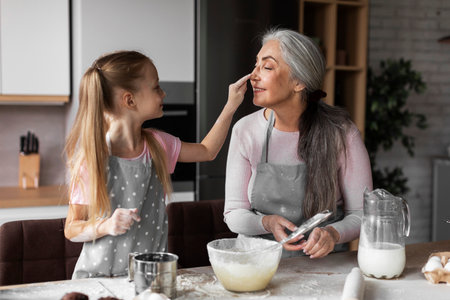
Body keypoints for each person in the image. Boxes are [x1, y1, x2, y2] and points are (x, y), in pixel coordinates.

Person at [64, 50, 250, 278]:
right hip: (98, 281)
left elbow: (207, 151)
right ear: (129, 100)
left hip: (148, 278)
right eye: (156, 87)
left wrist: (231, 104)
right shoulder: (93, 158)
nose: (163, 93)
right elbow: (71, 228)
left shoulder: (157, 145)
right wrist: (105, 226)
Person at [224, 29, 373, 259]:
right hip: (255, 265)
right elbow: (233, 214)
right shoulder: (245, 131)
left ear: (299, 82)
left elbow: (362, 214)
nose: (253, 75)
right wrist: (267, 222)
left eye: (267, 67)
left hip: (322, 269)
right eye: (256, 65)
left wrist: (333, 233)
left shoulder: (342, 134)